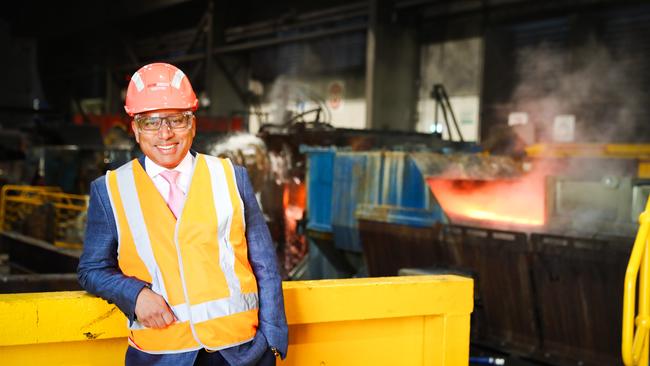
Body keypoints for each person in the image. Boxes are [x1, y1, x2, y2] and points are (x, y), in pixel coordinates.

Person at [78, 63, 288, 366]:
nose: (165, 133)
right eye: (151, 122)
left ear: (192, 124)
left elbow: (265, 264)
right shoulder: (109, 190)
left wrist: (271, 340)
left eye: (176, 119)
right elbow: (92, 269)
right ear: (135, 129)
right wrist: (134, 295)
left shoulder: (231, 176)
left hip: (241, 353)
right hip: (163, 355)